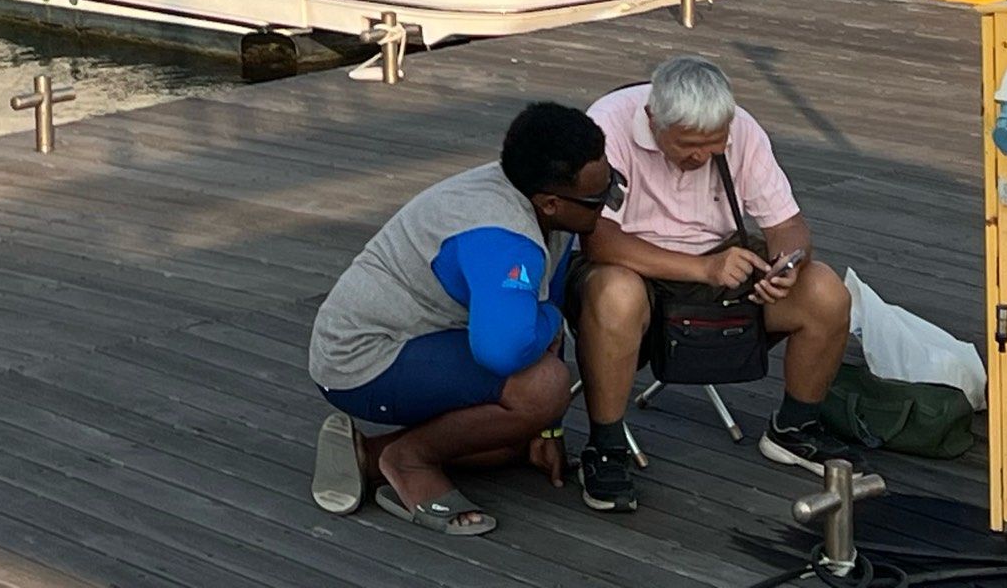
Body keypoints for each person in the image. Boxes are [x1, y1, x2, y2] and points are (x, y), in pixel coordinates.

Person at [307, 103, 623, 540]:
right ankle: (408, 461)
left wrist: (546, 428)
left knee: (509, 440)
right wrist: (550, 318)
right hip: (362, 359)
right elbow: (504, 350)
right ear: (551, 202)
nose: (607, 208)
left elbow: (536, 300)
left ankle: (367, 454)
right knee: (544, 387)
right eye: (599, 199)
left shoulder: (539, 199)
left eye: (612, 184)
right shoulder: (505, 239)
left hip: (427, 336)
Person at [569, 55, 851, 513]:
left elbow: (788, 224)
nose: (701, 156)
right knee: (616, 294)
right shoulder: (607, 126)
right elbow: (599, 240)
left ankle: (794, 429)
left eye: (713, 145)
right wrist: (703, 269)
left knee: (825, 293)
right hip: (631, 263)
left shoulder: (742, 130)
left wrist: (788, 265)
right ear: (652, 121)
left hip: (723, 259)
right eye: (687, 146)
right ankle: (605, 447)